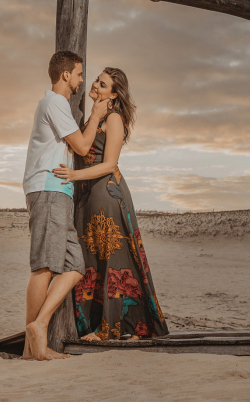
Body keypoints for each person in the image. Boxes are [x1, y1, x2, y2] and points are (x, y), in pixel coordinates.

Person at [52, 67, 169, 341]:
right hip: (87, 199)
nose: (94, 85)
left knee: (114, 264)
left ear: (113, 94)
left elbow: (109, 164)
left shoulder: (114, 118)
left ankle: (117, 328)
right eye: (96, 79)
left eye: (102, 84)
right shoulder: (93, 117)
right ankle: (92, 326)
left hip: (107, 196)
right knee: (92, 261)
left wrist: (74, 175)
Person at [22, 50, 109, 360]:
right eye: (80, 74)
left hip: (58, 191)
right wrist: (97, 116)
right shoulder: (55, 103)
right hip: (49, 188)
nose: (82, 80)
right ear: (65, 75)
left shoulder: (54, 105)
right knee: (44, 267)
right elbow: (83, 146)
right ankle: (33, 349)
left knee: (74, 265)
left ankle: (38, 329)